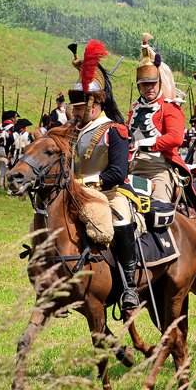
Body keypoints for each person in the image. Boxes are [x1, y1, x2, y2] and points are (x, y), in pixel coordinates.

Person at [66, 39, 140, 311]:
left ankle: (129, 286)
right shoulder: (73, 131)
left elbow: (118, 172)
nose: (75, 113)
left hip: (108, 193)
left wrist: (88, 182)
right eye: (74, 108)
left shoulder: (114, 131)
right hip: (75, 192)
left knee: (121, 220)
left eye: (78, 108)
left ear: (94, 105)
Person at [128, 33, 190, 205]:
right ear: (139, 86)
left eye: (152, 83)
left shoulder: (169, 107)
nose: (149, 88)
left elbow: (176, 138)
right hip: (130, 167)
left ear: (159, 82)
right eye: (144, 84)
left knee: (158, 207)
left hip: (158, 168)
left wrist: (146, 143)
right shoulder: (135, 108)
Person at [0, 110, 17, 187]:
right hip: (7, 149)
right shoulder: (13, 126)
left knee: (1, 168)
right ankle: (9, 185)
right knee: (9, 168)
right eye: (15, 117)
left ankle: (0, 184)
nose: (16, 119)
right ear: (12, 118)